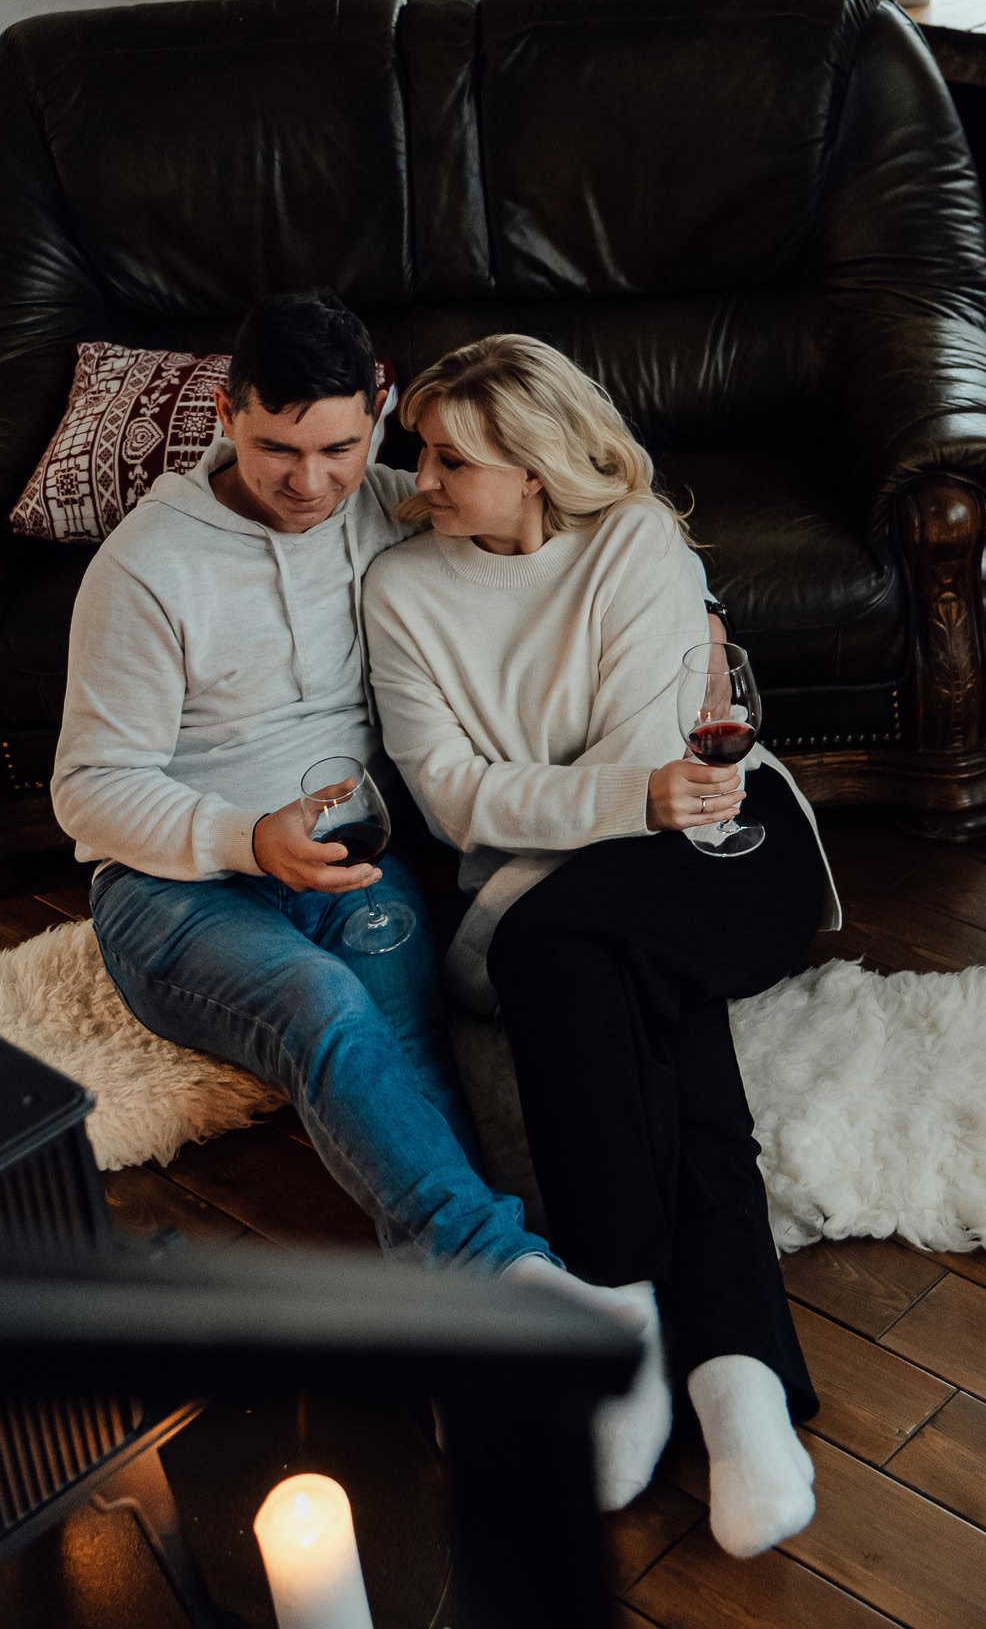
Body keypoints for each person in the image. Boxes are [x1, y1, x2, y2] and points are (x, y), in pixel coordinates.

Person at [51, 290, 668, 1500]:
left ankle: (457, 1363)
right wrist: (240, 835)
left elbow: (564, 521)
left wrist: (688, 610)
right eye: (276, 448)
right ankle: (517, 1282)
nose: (311, 482)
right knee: (320, 1008)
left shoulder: (394, 496)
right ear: (226, 415)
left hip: (350, 863)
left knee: (407, 1049)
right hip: (177, 890)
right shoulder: (147, 568)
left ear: (379, 407)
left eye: (340, 446)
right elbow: (87, 792)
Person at [362, 334, 843, 1559]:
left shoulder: (636, 541)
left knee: (559, 952)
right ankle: (739, 1385)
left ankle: (617, 1333)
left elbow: (667, 771)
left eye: (448, 457)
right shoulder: (402, 590)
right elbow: (449, 799)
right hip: (600, 877)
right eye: (420, 451)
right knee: (641, 1003)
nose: (416, 477)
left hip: (730, 850)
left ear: (530, 467)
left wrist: (612, 803)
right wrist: (621, 803)